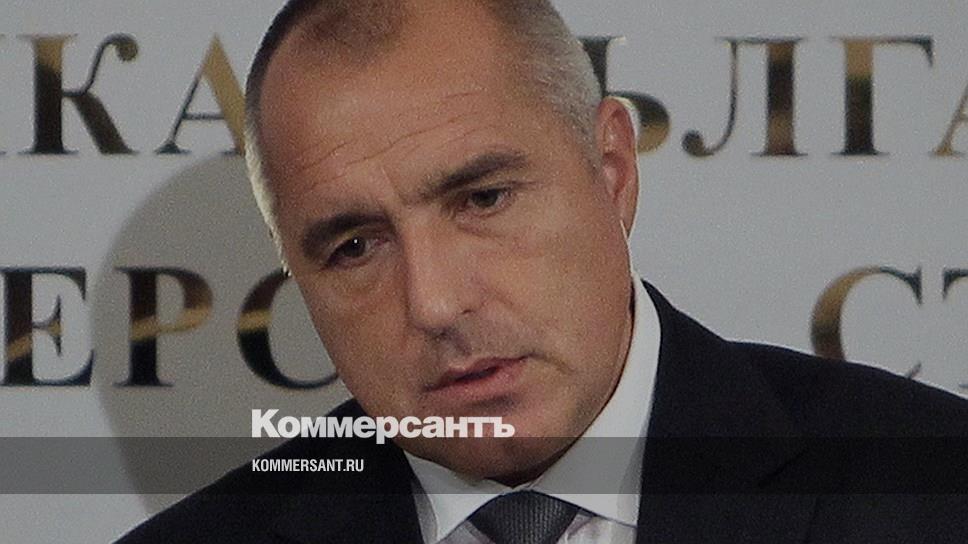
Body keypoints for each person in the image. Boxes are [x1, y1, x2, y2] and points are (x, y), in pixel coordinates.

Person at [118, 1, 968, 543]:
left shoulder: (934, 492)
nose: (435, 302)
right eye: (355, 247)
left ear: (613, 172)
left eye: (483, 199)